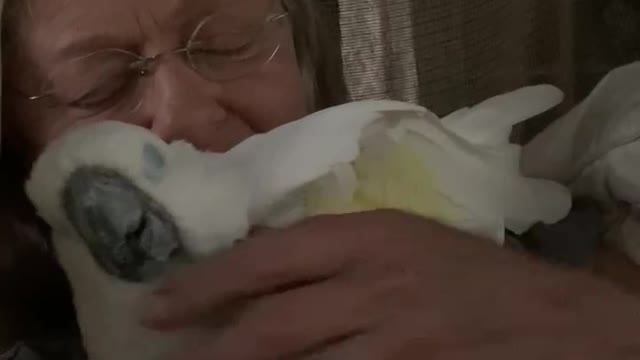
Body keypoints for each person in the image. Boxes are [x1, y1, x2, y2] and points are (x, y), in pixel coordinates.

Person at [2, 0, 640, 359]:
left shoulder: (522, 278)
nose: (191, 113)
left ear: (307, 63)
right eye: (100, 88)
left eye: (224, 43)